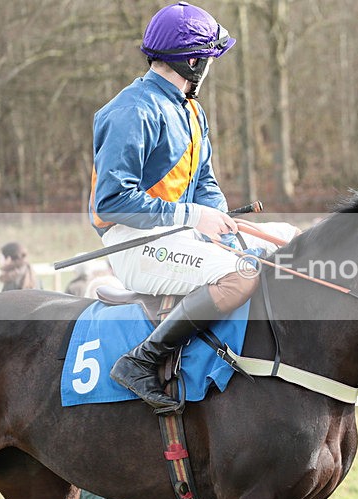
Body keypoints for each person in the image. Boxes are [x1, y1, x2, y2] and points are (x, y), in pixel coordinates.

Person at [88, 3, 296, 414]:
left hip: (180, 235)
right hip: (132, 242)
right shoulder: (131, 111)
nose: (211, 67)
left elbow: (204, 184)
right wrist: (192, 217)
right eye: (210, 59)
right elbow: (110, 201)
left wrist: (224, 226)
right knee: (240, 276)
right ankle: (140, 362)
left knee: (290, 240)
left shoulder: (192, 111)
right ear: (194, 62)